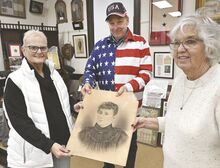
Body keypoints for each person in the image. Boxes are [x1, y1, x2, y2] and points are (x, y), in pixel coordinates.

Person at [133, 14, 220, 168]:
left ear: (209, 45)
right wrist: (147, 121)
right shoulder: (181, 79)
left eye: (190, 41)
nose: (180, 49)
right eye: (177, 43)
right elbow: (176, 121)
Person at [81, 2, 152, 168]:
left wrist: (128, 86)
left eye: (119, 22)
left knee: (129, 145)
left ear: (127, 20)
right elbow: (90, 70)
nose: (116, 27)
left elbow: (146, 73)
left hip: (132, 107)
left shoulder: (140, 43)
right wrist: (87, 83)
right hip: (107, 107)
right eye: (112, 23)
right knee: (108, 146)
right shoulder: (100, 46)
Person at [3, 30, 73, 168]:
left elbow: (62, 100)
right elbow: (19, 122)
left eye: (43, 47)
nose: (39, 51)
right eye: (33, 47)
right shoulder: (15, 81)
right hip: (34, 155)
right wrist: (49, 145)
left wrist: (74, 106)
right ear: (23, 50)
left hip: (62, 145)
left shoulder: (54, 74)